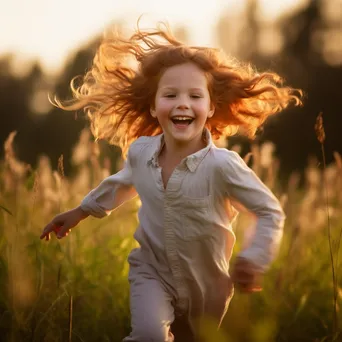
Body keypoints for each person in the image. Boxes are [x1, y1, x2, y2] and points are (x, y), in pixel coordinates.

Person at [40, 22, 302, 342]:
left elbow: (270, 211)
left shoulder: (223, 166)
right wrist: (79, 212)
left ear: (210, 108)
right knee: (149, 335)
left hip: (208, 288)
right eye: (170, 95)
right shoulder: (141, 153)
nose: (182, 103)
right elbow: (121, 184)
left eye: (195, 95)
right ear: (154, 106)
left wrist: (255, 256)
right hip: (151, 273)